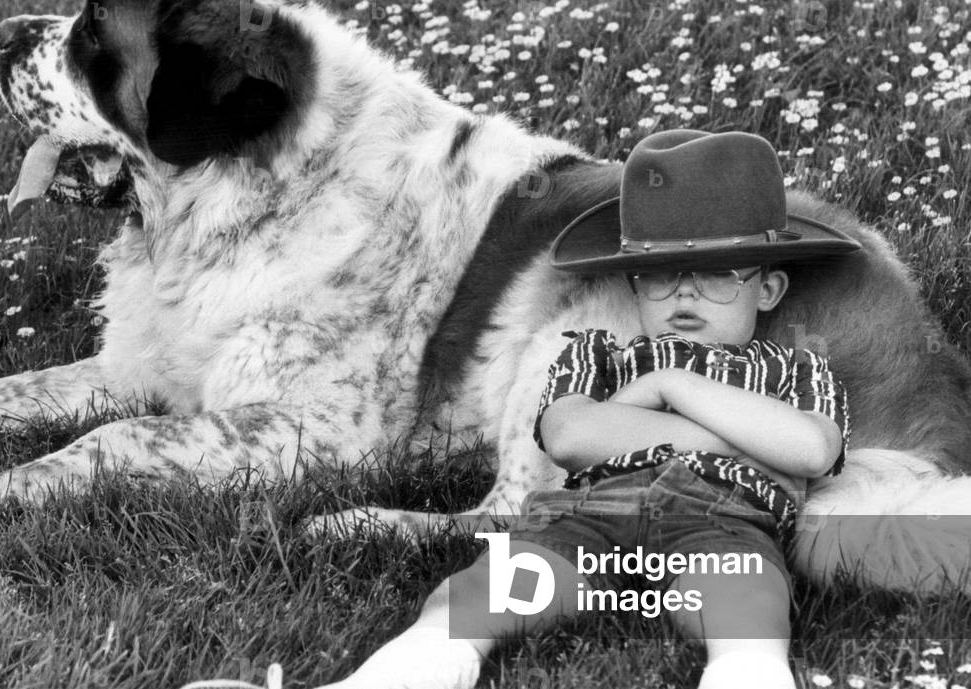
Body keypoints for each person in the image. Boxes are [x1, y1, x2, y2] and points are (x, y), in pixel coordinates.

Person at [314, 130, 859, 689]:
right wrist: (748, 438)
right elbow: (572, 437)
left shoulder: (794, 370)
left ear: (767, 289)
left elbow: (813, 449)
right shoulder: (596, 354)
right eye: (663, 273)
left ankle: (747, 672)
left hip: (722, 522)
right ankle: (416, 663)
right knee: (504, 580)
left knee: (744, 590)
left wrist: (669, 385)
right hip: (589, 520)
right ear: (634, 282)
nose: (686, 294)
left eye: (719, 274)